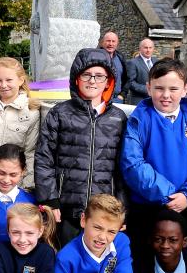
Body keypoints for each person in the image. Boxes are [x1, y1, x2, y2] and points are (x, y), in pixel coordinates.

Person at [120, 58, 187, 256]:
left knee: (175, 262)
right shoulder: (138, 120)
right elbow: (133, 164)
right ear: (148, 88)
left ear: (185, 89)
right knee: (142, 261)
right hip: (146, 208)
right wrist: (169, 196)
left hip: (184, 208)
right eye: (159, 88)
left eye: (173, 89)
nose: (166, 95)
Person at [35, 48, 127, 247]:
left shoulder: (118, 119)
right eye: (86, 74)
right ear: (76, 78)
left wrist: (122, 208)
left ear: (108, 81)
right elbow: (44, 158)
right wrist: (50, 199)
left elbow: (122, 168)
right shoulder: (59, 113)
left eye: (99, 76)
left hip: (102, 210)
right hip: (66, 209)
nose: (92, 81)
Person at [0, 58, 41, 191]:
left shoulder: (31, 112)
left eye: (9, 80)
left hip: (13, 180)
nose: (3, 85)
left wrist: (28, 185)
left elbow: (30, 151)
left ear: (21, 80)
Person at [0, 144, 36, 245]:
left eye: (13, 175)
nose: (6, 180)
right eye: (1, 173)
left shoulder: (31, 202)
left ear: (23, 171)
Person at [125, 39, 156, 105]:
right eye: (145, 48)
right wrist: (148, 89)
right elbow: (130, 82)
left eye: (150, 48)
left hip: (155, 101)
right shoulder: (133, 62)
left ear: (153, 49)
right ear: (140, 49)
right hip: (139, 101)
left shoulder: (156, 61)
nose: (148, 50)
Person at [98, 31, 127, 99]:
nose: (111, 44)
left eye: (113, 41)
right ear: (102, 42)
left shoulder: (121, 58)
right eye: (108, 41)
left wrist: (122, 94)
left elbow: (126, 78)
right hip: (100, 98)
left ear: (117, 43)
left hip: (117, 98)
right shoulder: (95, 57)